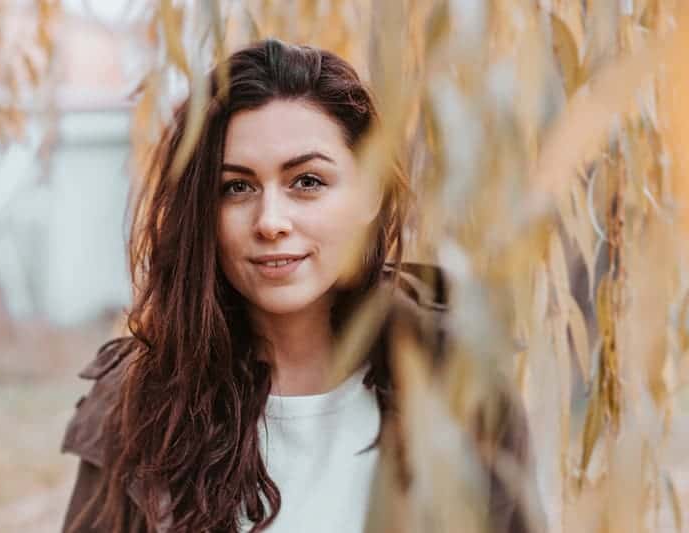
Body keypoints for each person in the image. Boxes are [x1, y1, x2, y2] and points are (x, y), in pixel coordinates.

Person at [60, 39, 533, 533]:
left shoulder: (460, 381)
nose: (270, 222)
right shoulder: (138, 404)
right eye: (236, 187)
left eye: (306, 181)